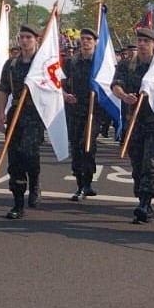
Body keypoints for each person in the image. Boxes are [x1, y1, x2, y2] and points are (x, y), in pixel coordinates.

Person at [112, 27, 154, 224]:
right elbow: (115, 85)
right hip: (133, 123)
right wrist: (124, 96)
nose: (142, 44)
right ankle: (142, 197)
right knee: (136, 165)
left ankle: (145, 203)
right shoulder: (127, 65)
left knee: (150, 164)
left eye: (146, 41)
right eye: (140, 40)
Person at [0, 23, 46, 219]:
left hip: (34, 115)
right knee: (15, 159)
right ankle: (18, 203)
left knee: (29, 153)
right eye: (22, 37)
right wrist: (1, 113)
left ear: (37, 40)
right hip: (16, 113)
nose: (24, 41)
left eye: (29, 37)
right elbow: (3, 90)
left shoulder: (42, 64)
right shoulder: (11, 65)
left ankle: (34, 182)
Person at [62, 28, 99, 201]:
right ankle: (80, 184)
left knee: (87, 145)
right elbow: (59, 84)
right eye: (83, 39)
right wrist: (65, 95)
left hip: (94, 111)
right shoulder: (71, 62)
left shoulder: (100, 62)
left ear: (95, 42)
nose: (85, 42)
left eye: (89, 39)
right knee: (76, 147)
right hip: (75, 110)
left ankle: (87, 182)